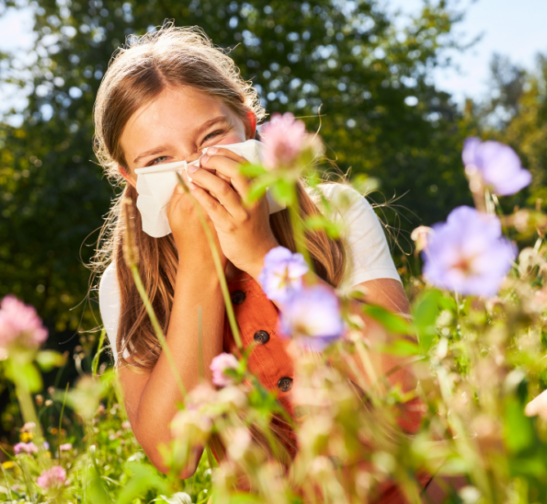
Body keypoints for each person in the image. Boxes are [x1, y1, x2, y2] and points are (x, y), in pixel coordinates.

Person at [92, 24, 432, 501]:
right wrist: (199, 270)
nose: (194, 171)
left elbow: (400, 376)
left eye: (211, 137)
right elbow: (173, 455)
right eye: (159, 161)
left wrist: (260, 252)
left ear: (250, 128)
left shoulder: (333, 211)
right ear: (131, 177)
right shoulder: (127, 283)